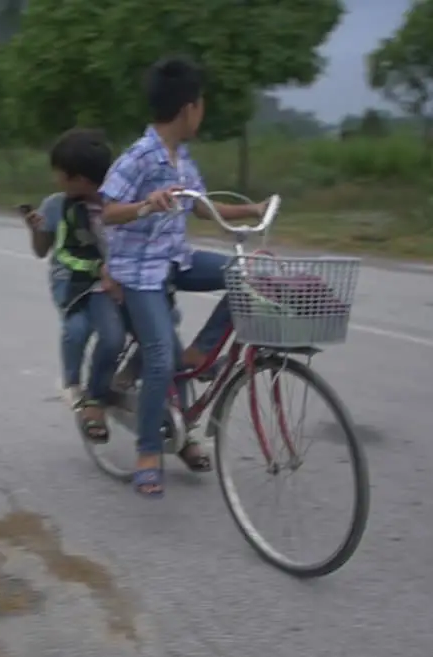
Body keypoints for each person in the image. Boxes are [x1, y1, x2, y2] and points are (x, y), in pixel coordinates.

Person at [96, 56, 268, 497]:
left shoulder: (182, 159)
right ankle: (148, 451)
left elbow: (203, 207)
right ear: (189, 108)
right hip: (139, 273)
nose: (202, 113)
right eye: (202, 105)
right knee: (157, 357)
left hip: (175, 260)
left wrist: (252, 210)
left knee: (242, 273)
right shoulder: (139, 156)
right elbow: (107, 210)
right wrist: (146, 206)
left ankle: (197, 354)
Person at [23, 129, 125, 442]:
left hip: (108, 281)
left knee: (113, 337)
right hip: (71, 282)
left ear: (79, 179)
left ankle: (107, 388)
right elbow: (42, 251)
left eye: (59, 175)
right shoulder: (57, 204)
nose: (56, 181)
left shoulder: (118, 203)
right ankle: (72, 385)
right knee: (77, 329)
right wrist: (36, 230)